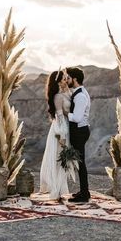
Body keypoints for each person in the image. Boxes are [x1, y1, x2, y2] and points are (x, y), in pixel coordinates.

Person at [40, 69, 75, 200]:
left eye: (67, 78)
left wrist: (67, 90)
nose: (67, 80)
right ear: (59, 81)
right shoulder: (58, 97)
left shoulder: (65, 93)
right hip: (61, 130)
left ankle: (60, 189)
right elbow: (60, 117)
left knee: (62, 160)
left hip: (66, 127)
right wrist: (62, 136)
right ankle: (56, 190)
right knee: (59, 159)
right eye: (64, 78)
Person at [66, 67, 91, 202]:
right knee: (80, 162)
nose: (67, 80)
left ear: (74, 79)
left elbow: (77, 117)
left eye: (68, 78)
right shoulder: (79, 92)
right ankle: (84, 191)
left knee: (81, 163)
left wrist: (65, 113)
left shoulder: (80, 96)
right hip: (81, 131)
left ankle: (84, 194)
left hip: (80, 132)